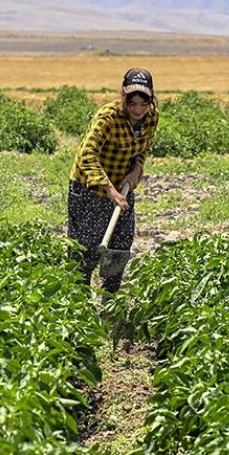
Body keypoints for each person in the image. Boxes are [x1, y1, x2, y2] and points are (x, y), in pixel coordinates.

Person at [67, 68, 159, 292]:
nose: (138, 109)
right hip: (89, 188)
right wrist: (109, 189)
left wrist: (137, 170)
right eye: (132, 103)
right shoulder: (107, 118)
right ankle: (77, 308)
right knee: (85, 251)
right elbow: (86, 154)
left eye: (143, 103)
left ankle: (110, 304)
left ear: (151, 100)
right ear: (124, 97)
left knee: (120, 248)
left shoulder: (151, 118)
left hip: (122, 189)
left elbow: (143, 150)